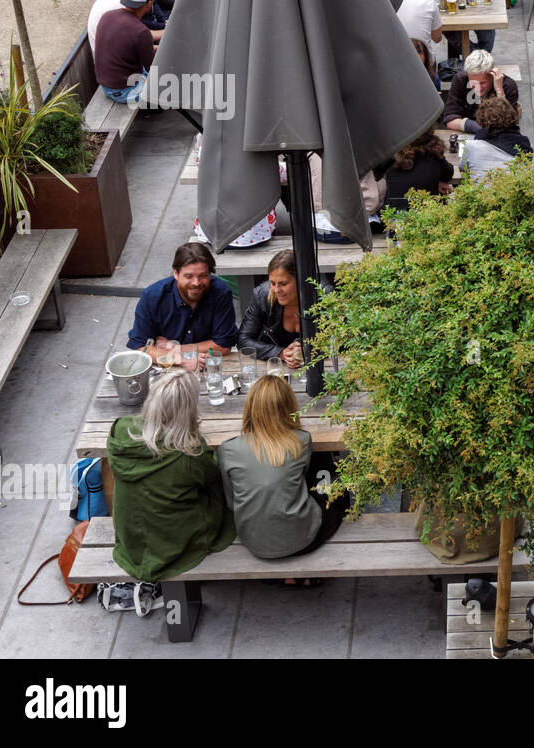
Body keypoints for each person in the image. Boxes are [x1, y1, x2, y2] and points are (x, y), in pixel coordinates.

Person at [107, 370, 235, 582]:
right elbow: (213, 477)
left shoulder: (120, 430)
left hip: (132, 541)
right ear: (189, 409)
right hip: (173, 546)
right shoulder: (189, 454)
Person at [219, 375, 351, 563]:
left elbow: (232, 503)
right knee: (332, 479)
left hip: (253, 540)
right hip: (304, 538)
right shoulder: (302, 440)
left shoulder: (228, 449)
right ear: (289, 407)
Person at [127, 242, 239, 361]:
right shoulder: (152, 297)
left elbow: (223, 346)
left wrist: (174, 348)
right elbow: (141, 348)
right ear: (176, 273)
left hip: (209, 363)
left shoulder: (220, 292)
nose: (196, 282)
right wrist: (180, 360)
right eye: (189, 276)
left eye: (203, 276)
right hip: (167, 366)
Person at [94, 0, 157, 104]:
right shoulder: (141, 31)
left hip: (106, 85)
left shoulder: (108, 15)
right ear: (149, 4)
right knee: (171, 81)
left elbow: (126, 49)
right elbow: (152, 67)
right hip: (124, 92)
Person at [238, 250, 304, 367]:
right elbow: (243, 340)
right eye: (272, 283)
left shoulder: (322, 295)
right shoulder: (262, 295)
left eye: (283, 284)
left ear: (300, 280)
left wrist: (309, 351)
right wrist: (280, 353)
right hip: (274, 367)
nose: (276, 290)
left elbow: (342, 340)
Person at [441, 50, 521, 133]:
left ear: (492, 75)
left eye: (482, 83)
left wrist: (499, 91)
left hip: (497, 137)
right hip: (471, 132)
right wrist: (479, 129)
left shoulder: (507, 86)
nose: (478, 88)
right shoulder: (460, 79)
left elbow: (511, 125)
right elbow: (449, 120)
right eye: (473, 82)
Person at [460, 94, 533, 181]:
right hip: (514, 193)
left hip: (481, 193)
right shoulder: (524, 146)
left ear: (481, 122)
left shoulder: (471, 147)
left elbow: (463, 170)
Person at [384, 131, 453, 211]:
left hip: (394, 213)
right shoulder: (433, 149)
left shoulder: (389, 149)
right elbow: (448, 174)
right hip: (427, 213)